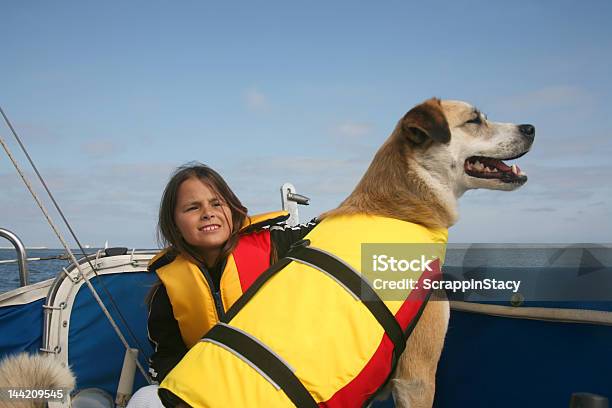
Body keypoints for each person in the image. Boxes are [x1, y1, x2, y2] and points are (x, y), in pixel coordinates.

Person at [127, 162, 317, 407]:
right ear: (174, 224)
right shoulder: (167, 292)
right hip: (212, 395)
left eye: (216, 203)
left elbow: (339, 230)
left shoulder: (278, 244)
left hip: (284, 389)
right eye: (193, 207)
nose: (208, 212)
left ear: (233, 209)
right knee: (146, 399)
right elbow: (167, 362)